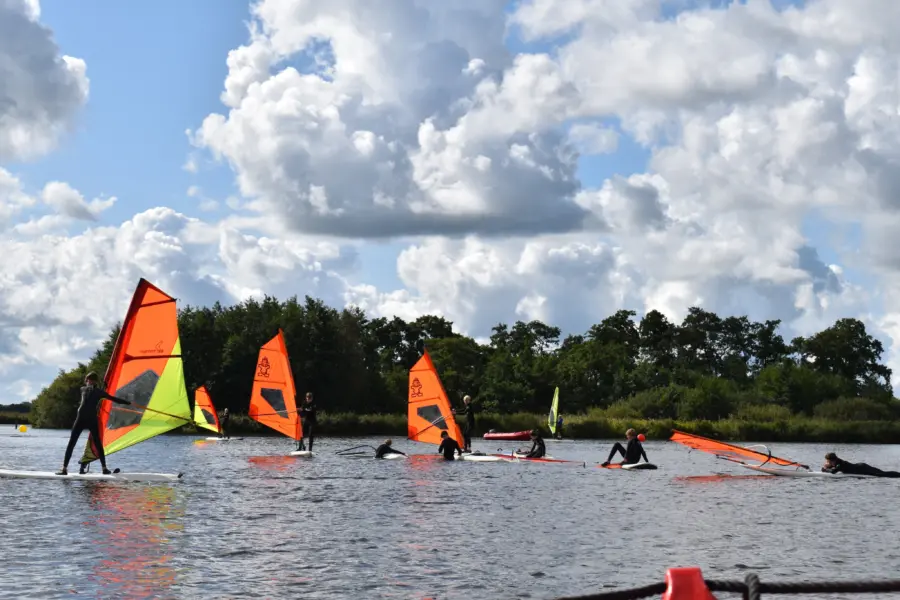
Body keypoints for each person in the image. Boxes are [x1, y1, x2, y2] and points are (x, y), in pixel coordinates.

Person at [56, 372, 131, 475]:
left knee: (98, 444)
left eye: (91, 380)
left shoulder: (100, 392)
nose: (89, 381)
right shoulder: (83, 389)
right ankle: (64, 469)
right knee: (71, 443)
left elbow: (114, 399)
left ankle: (104, 468)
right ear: (86, 380)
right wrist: (95, 388)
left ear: (95, 381)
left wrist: (128, 402)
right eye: (88, 379)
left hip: (92, 419)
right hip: (80, 419)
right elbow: (89, 391)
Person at [822, 452, 900, 477]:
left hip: (862, 468)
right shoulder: (836, 463)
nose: (827, 462)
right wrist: (827, 468)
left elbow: (833, 472)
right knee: (882, 473)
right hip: (859, 467)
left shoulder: (839, 464)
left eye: (828, 461)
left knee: (882, 474)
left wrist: (826, 470)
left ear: (832, 460)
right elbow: (833, 468)